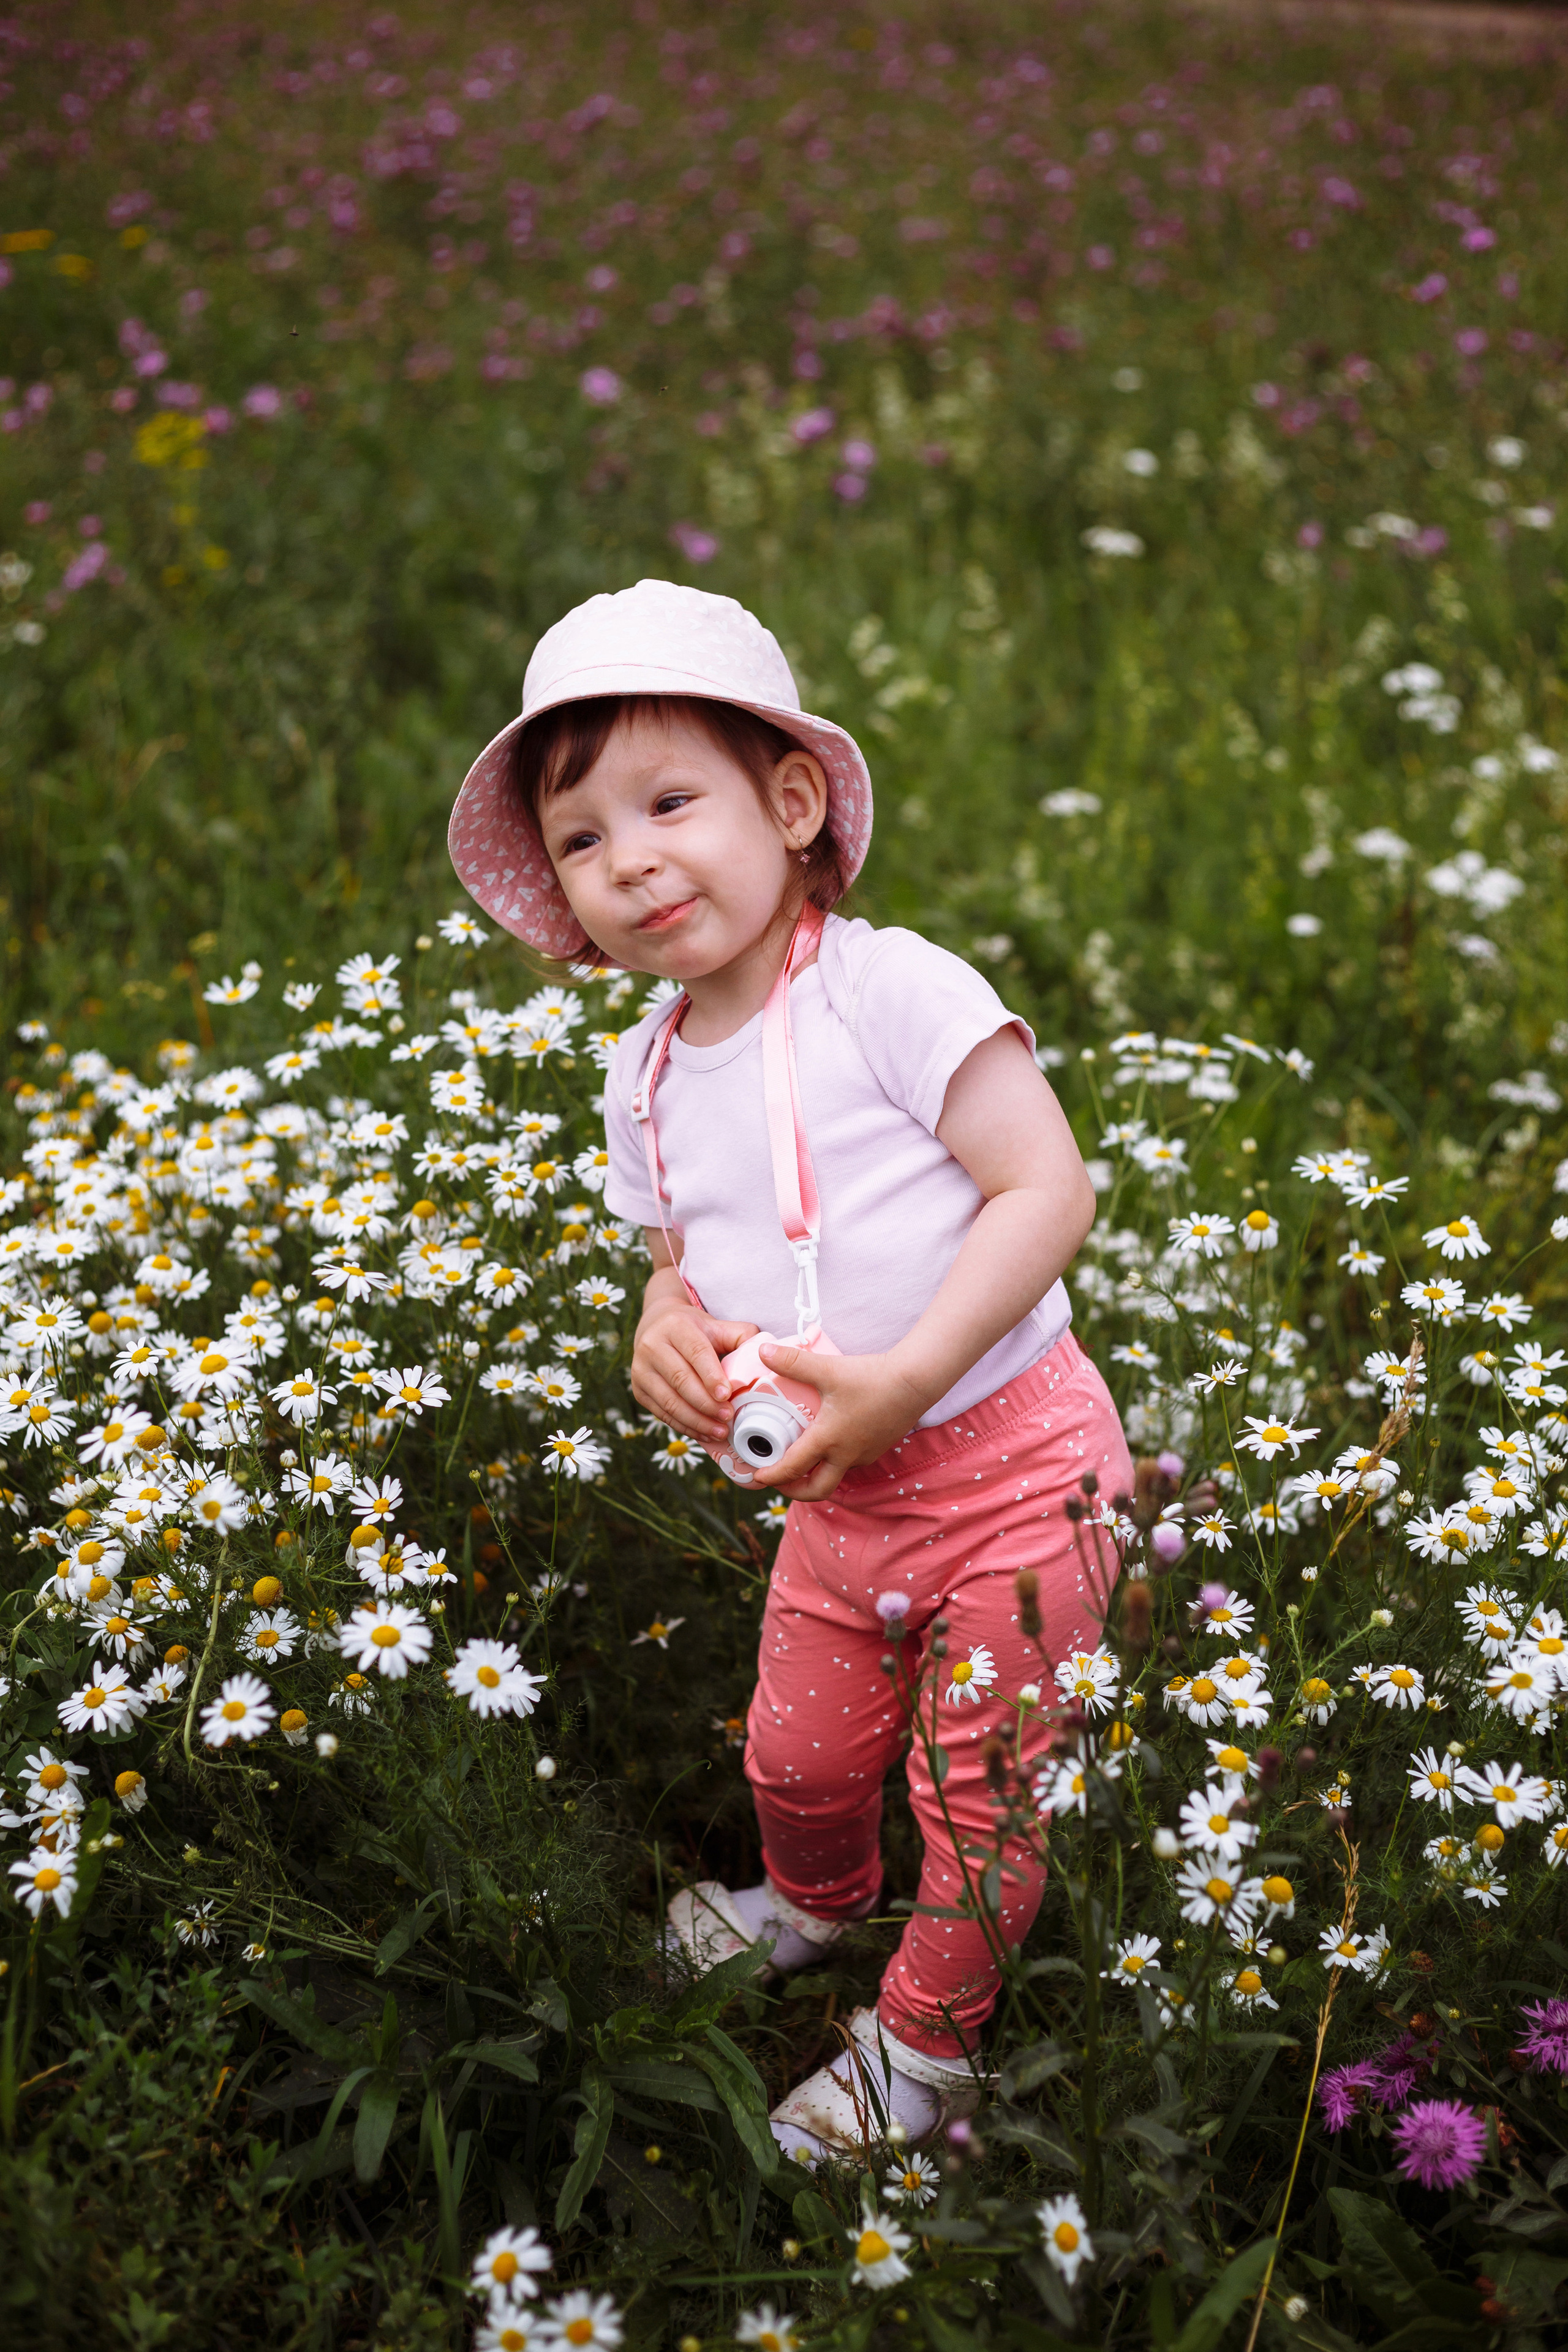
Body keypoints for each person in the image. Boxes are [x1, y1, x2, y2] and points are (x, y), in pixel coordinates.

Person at [448, 578, 1132, 2162]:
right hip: (840, 1495)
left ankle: (927, 2050)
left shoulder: (889, 992)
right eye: (580, 838)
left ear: (794, 804)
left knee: (981, 1798)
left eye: (669, 803)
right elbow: (677, 1256)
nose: (629, 860)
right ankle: (816, 1903)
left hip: (1017, 1464)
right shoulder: (644, 1074)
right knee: (797, 1755)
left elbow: (1048, 1189)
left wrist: (908, 1376)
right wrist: (662, 1330)